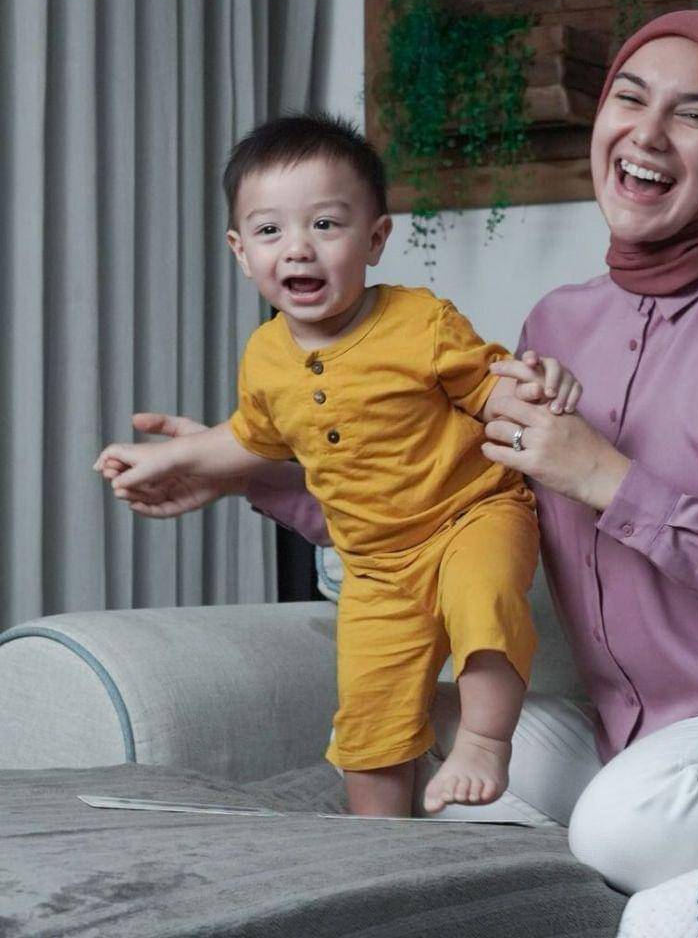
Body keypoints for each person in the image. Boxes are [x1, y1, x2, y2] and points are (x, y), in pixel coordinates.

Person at [114, 13, 698, 894]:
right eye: (630, 99)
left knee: (625, 826)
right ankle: (651, 805)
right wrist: (239, 472)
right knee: (405, 748)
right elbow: (440, 501)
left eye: (695, 114)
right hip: (627, 732)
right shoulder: (559, 325)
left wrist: (608, 479)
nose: (648, 134)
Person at [93, 113, 583, 820]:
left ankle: (482, 741)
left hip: (471, 514)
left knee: (485, 599)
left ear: (375, 239)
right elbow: (251, 439)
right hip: (374, 565)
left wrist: (531, 390)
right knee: (369, 715)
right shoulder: (265, 357)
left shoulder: (421, 322)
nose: (298, 247)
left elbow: (490, 390)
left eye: (325, 224)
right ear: (240, 252)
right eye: (270, 231)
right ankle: (378, 840)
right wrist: (169, 455)